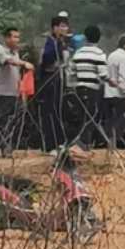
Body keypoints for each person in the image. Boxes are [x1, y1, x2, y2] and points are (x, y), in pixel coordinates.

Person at [36, 14, 71, 152]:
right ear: (55, 27)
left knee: (58, 111)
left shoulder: (62, 42)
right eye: (62, 26)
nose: (65, 29)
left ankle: (59, 142)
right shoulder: (49, 41)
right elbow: (45, 59)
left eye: (66, 26)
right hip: (48, 80)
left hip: (58, 79)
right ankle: (49, 145)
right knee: (49, 112)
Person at [69, 24, 109, 143]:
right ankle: (84, 145)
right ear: (99, 38)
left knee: (81, 119)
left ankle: (80, 144)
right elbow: (104, 75)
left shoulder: (78, 53)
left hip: (79, 90)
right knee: (91, 119)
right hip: (93, 91)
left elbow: (71, 73)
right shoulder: (99, 54)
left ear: (85, 38)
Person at [0, 26, 30, 148]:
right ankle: (0, 148)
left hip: (15, 93)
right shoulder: (0, 52)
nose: (17, 40)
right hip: (3, 93)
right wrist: (24, 63)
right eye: (14, 37)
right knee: (2, 122)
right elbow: (9, 62)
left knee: (14, 122)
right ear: (7, 38)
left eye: (18, 37)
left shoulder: (15, 53)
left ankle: (9, 147)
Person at [103, 30, 125, 148]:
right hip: (119, 95)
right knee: (119, 120)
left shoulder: (111, 55)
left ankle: (109, 144)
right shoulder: (123, 58)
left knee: (110, 120)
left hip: (108, 93)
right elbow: (123, 79)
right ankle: (114, 145)